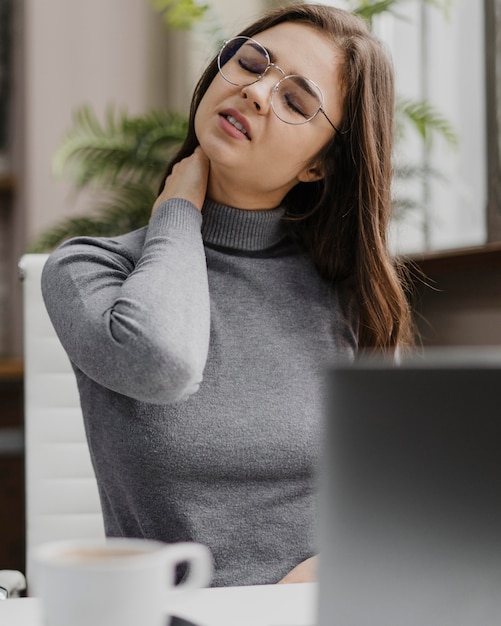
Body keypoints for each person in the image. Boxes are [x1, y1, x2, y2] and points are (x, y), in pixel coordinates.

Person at [41, 3, 414, 587]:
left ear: (319, 166)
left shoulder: (348, 298)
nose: (258, 92)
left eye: (296, 101)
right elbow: (163, 363)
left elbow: (391, 493)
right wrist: (178, 211)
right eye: (250, 62)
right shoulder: (91, 269)